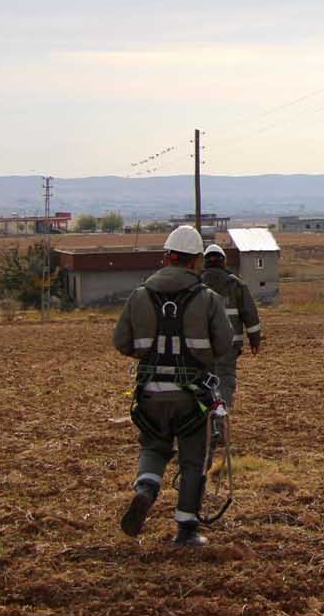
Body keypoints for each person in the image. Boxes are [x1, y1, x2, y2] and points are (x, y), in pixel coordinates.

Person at [113, 225, 233, 546]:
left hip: (150, 393)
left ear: (166, 257)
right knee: (194, 459)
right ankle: (187, 529)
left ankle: (146, 490)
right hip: (192, 398)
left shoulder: (140, 295)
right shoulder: (208, 299)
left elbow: (120, 341)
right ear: (196, 262)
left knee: (154, 446)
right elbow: (223, 344)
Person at [200, 244, 262, 418]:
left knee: (202, 382)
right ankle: (220, 420)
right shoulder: (235, 284)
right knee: (225, 381)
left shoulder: (196, 284)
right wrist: (254, 340)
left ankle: (205, 425)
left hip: (201, 346)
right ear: (223, 262)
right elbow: (250, 314)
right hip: (229, 345)